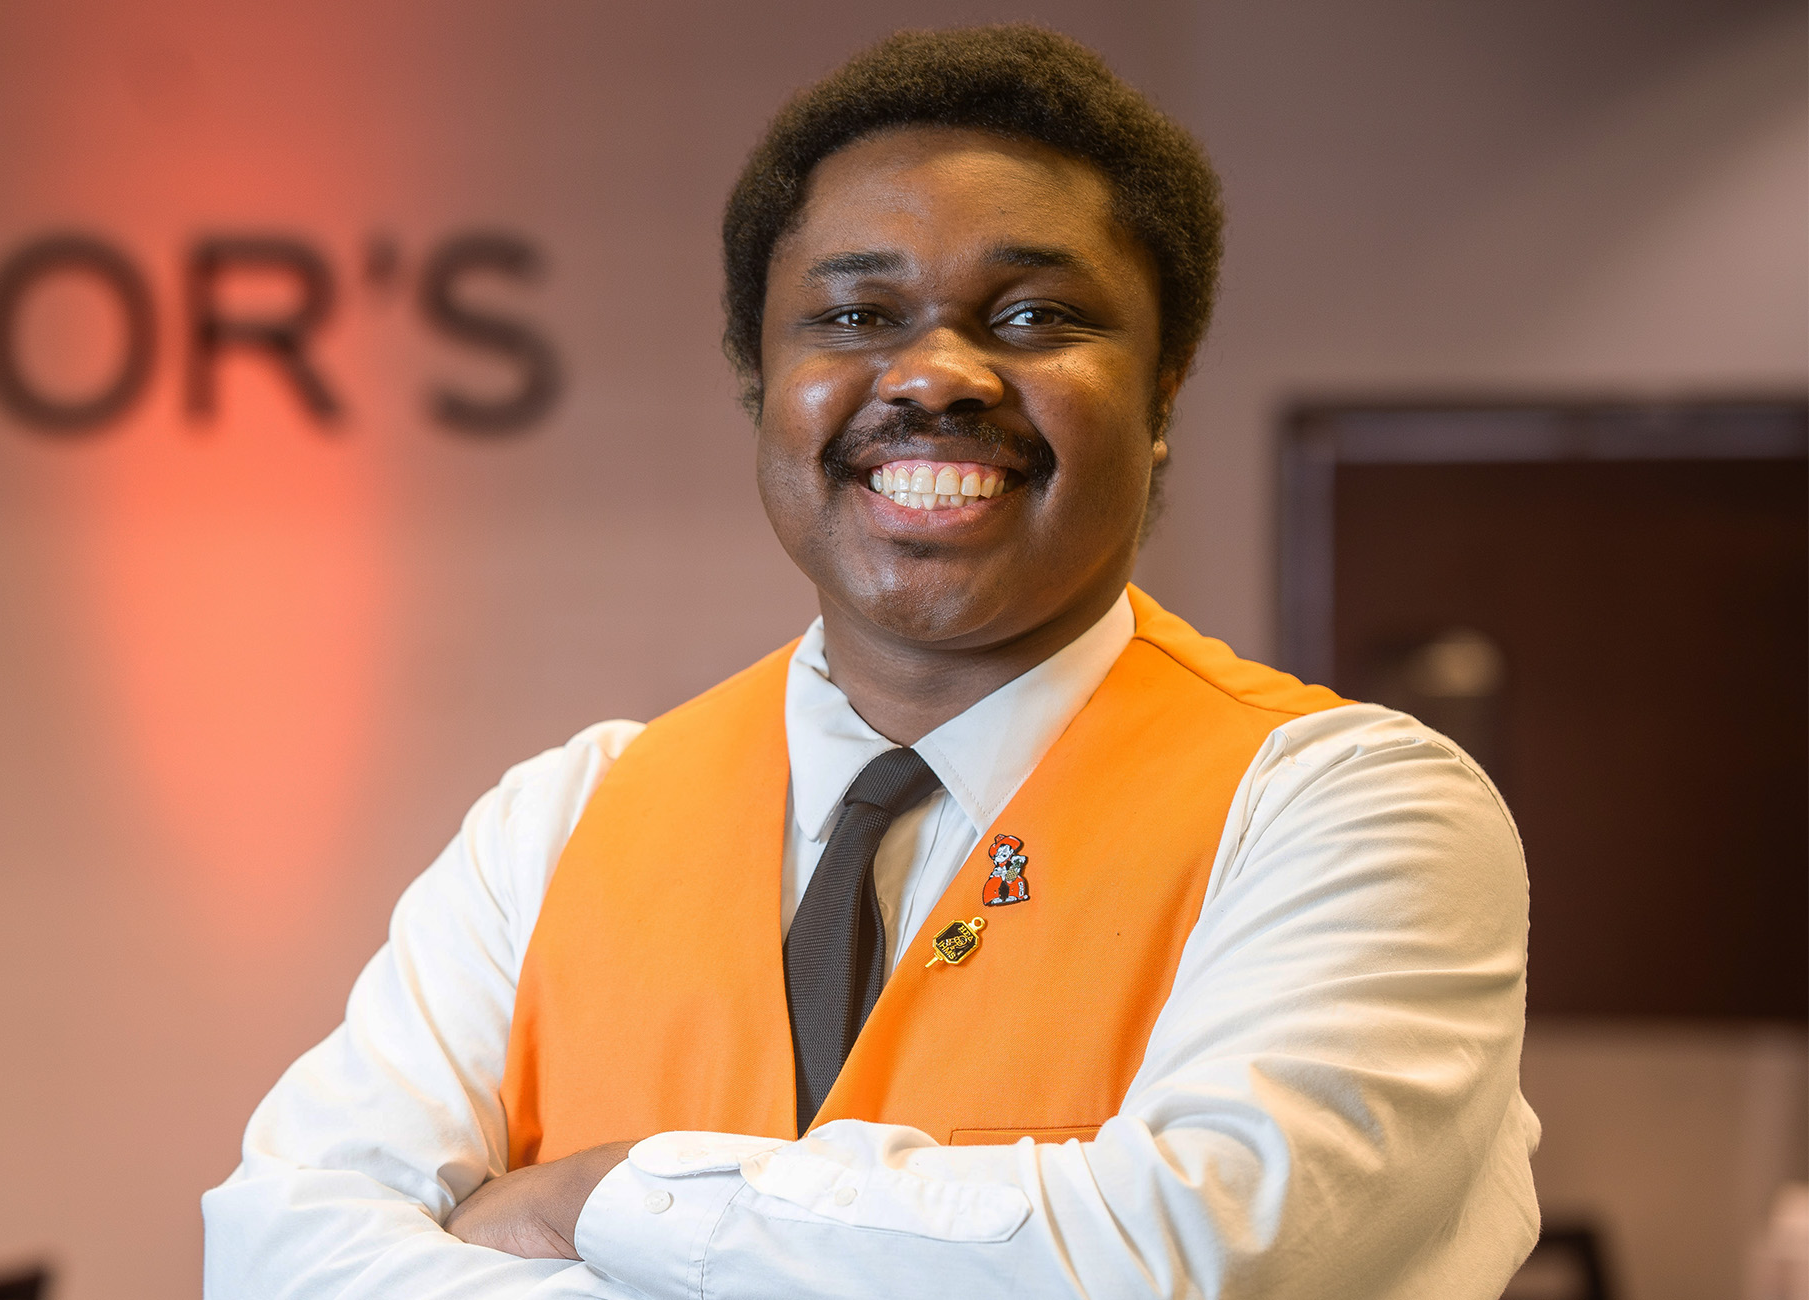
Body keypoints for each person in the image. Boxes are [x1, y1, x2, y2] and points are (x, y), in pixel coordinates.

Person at [203, 24, 1538, 1299]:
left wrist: (597, 1204)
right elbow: (277, 1257)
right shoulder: (559, 825)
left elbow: (1199, 1261)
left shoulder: (1346, 810)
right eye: (852, 317)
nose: (936, 374)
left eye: (1031, 316)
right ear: (763, 389)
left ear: (1165, 394)